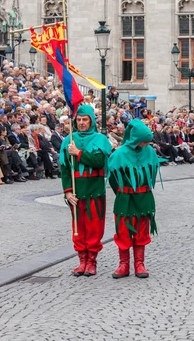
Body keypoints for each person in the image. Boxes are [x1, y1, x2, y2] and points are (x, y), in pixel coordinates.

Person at [60, 105, 112, 276]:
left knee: (93, 227)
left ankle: (91, 261)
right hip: (76, 192)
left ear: (91, 121)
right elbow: (65, 168)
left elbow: (98, 161)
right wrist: (67, 191)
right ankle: (82, 260)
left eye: (85, 120)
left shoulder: (100, 139)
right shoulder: (69, 139)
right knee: (78, 227)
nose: (81, 123)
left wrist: (79, 153)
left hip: (94, 190)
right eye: (79, 120)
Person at [108, 119, 161, 279]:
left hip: (144, 198)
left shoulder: (150, 152)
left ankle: (139, 264)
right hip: (125, 198)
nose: (146, 144)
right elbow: (112, 179)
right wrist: (123, 192)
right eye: (144, 141)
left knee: (142, 231)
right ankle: (124, 264)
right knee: (123, 231)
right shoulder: (119, 154)